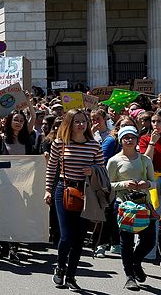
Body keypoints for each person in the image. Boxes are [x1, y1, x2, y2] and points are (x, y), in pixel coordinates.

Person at [45, 109, 104, 291]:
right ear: (69, 123)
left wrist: (93, 170)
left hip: (86, 192)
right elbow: (51, 168)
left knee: (79, 238)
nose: (81, 125)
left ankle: (71, 276)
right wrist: (47, 189)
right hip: (63, 189)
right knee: (66, 236)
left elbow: (102, 171)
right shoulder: (59, 144)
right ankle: (60, 266)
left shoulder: (94, 146)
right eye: (77, 121)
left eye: (83, 121)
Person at [0, 110, 37, 261]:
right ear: (9, 121)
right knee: (0, 216)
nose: (19, 123)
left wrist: (28, 101)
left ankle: (14, 248)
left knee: (16, 216)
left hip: (21, 184)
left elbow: (33, 117)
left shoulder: (26, 139)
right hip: (2, 185)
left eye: (21, 120)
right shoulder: (0, 140)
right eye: (16, 120)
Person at [108, 125, 156, 291]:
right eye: (125, 137)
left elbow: (154, 182)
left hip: (144, 206)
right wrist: (123, 184)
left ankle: (135, 262)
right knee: (126, 242)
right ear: (120, 140)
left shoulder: (145, 160)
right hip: (123, 206)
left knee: (149, 241)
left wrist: (147, 184)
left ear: (137, 139)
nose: (129, 140)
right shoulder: (114, 160)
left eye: (132, 137)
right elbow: (108, 185)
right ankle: (129, 276)